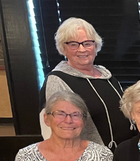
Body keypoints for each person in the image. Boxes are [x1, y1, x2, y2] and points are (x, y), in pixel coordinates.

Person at [39, 17, 133, 149]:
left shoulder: (106, 75)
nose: (82, 49)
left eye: (87, 43)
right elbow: (53, 130)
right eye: (73, 44)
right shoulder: (58, 80)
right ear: (63, 48)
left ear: (96, 45)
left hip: (124, 154)